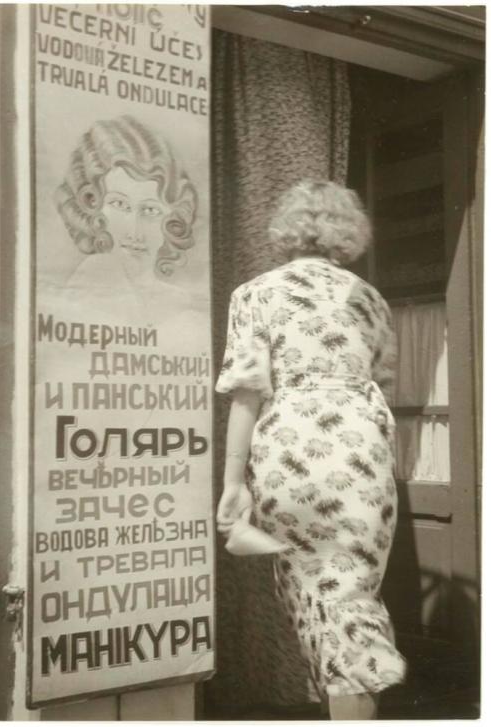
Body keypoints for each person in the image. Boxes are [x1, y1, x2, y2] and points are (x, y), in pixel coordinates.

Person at [215, 179, 406, 720]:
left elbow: (248, 394)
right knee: (352, 599)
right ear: (349, 232)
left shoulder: (255, 293)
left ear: (288, 228)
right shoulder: (370, 301)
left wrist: (233, 483)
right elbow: (383, 391)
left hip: (293, 454)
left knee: (318, 605)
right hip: (363, 458)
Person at [54, 114, 198, 290]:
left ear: (173, 219)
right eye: (120, 205)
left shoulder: (181, 304)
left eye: (151, 210)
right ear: (92, 205)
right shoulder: (87, 284)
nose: (134, 232)